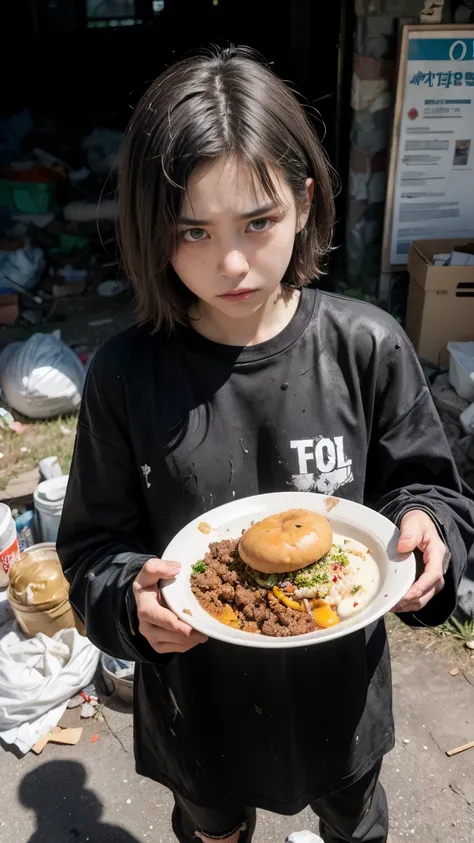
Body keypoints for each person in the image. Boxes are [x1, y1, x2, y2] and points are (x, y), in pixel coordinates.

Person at [57, 46, 474, 843]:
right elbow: (91, 551)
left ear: (304, 200)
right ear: (152, 227)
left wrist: (431, 530)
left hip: (340, 694)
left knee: (355, 820)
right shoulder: (125, 375)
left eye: (259, 220)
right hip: (196, 702)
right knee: (214, 829)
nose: (235, 261)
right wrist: (128, 603)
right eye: (192, 230)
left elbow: (430, 491)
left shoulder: (368, 347)